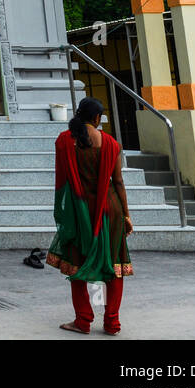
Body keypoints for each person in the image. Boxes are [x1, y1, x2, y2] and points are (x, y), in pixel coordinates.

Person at [47, 97, 133, 335]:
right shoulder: (111, 144)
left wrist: (65, 213)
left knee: (77, 265)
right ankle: (112, 323)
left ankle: (83, 320)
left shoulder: (65, 141)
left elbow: (63, 181)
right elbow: (118, 182)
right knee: (113, 266)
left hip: (79, 212)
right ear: (97, 118)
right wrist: (126, 215)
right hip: (110, 212)